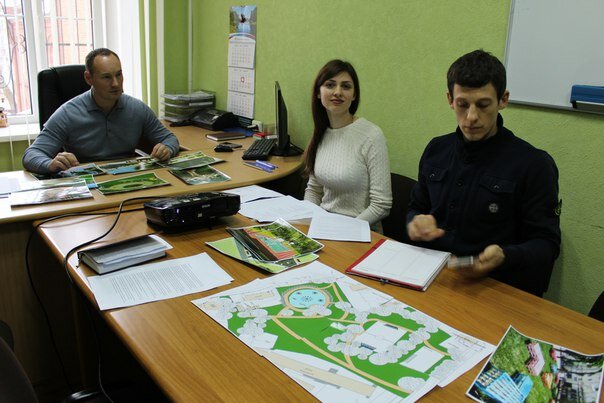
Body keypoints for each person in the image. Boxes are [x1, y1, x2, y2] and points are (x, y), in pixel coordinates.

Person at [406, 49, 561, 296]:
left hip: (493, 287)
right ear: (450, 99)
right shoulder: (436, 149)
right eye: (462, 104)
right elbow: (415, 207)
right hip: (433, 278)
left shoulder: (534, 164)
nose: (471, 117)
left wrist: (505, 255)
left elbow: (547, 244)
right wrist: (415, 222)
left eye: (483, 105)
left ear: (503, 100)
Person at [22, 48, 179, 174]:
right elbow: (31, 154)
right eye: (106, 77)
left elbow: (169, 139)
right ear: (88, 78)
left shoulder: (137, 108)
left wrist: (167, 149)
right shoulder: (68, 113)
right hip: (87, 183)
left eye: (118, 75)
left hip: (128, 178)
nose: (115, 83)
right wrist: (50, 164)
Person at [304, 59, 392, 232]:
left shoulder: (371, 135)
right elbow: (314, 190)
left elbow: (381, 205)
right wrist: (308, 221)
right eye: (330, 85)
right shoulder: (321, 133)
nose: (338, 92)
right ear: (318, 93)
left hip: (359, 232)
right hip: (324, 227)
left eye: (346, 86)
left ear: (354, 95)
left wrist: (343, 230)